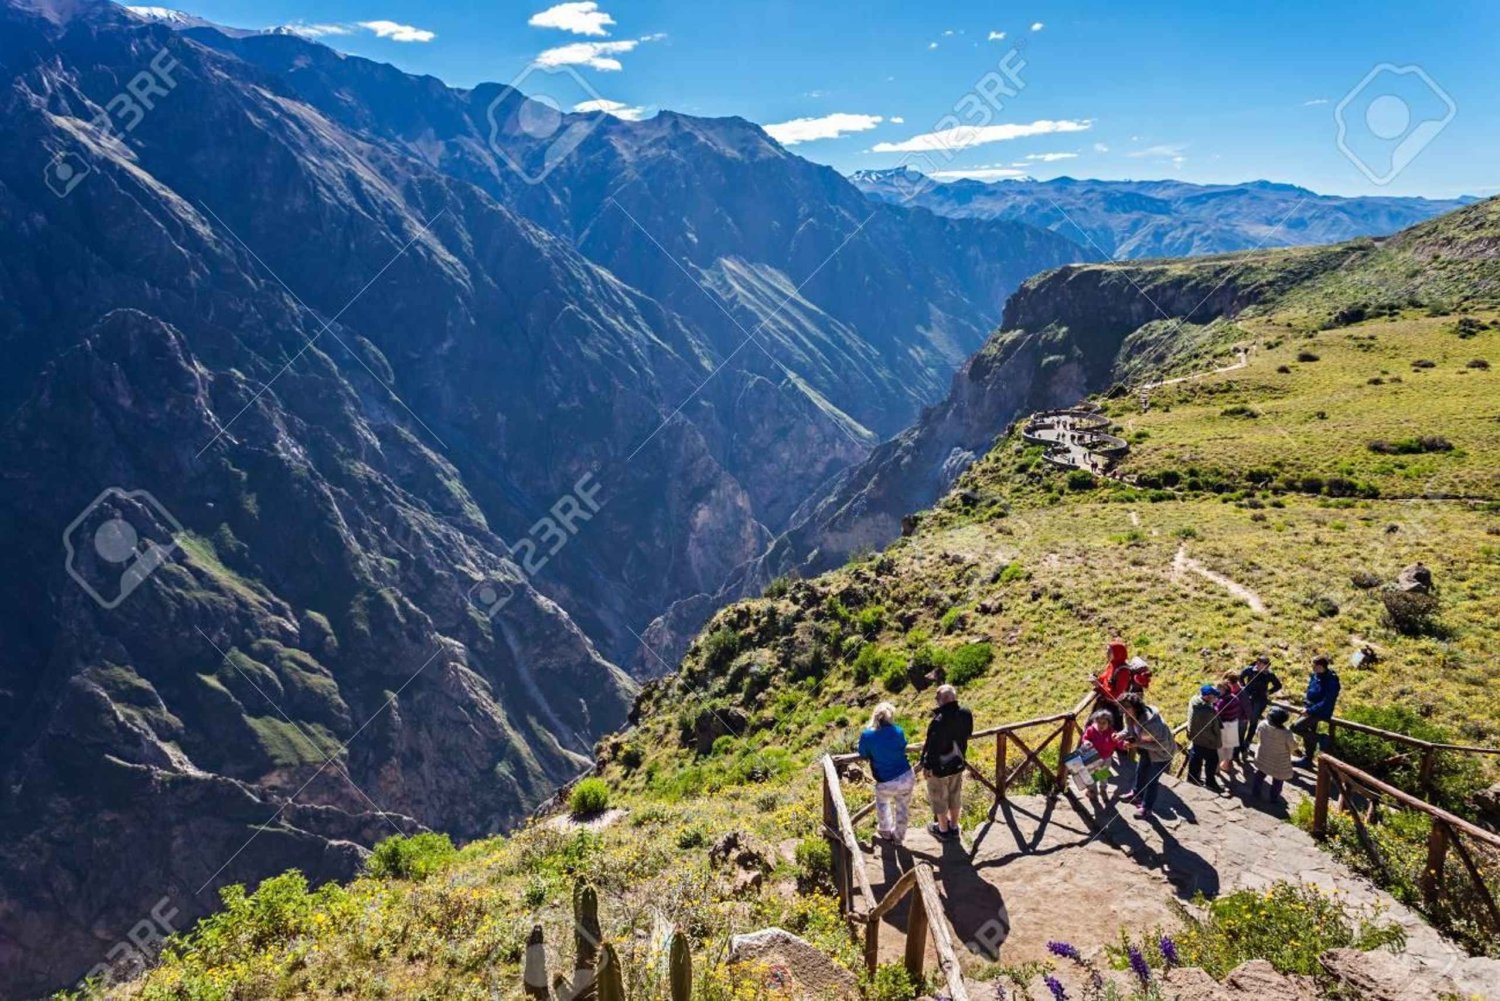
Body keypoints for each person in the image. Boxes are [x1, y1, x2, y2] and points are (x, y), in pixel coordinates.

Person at [919, 685, 973, 840]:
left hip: (939, 767)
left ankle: (942, 830)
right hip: (958, 761)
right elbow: (968, 733)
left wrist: (927, 766)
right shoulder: (965, 713)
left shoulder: (939, 720)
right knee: (955, 795)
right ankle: (954, 827)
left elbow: (932, 746)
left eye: (937, 698)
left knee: (938, 797)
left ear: (941, 700)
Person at [858, 702, 915, 845]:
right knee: (903, 808)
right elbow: (903, 745)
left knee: (883, 803)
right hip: (906, 775)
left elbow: (863, 753)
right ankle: (899, 837)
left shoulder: (867, 735)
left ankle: (885, 831)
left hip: (885, 779)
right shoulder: (898, 731)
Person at [1117, 693, 1176, 819]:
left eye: (1125, 707)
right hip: (1147, 750)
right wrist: (1121, 735)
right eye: (1121, 707)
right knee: (1141, 770)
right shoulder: (1130, 716)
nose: (1122, 711)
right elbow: (1130, 729)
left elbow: (1162, 746)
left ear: (1135, 707)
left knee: (1151, 780)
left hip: (1162, 754)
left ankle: (1146, 808)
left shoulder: (1152, 724)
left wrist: (1137, 743)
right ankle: (1136, 794)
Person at [1291, 656, 1341, 768]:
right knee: (1308, 733)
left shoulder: (1331, 680)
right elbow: (1310, 690)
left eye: (1314, 665)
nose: (1312, 667)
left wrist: (1310, 710)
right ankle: (1307, 759)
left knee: (1296, 727)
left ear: (1320, 666)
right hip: (1309, 707)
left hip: (1320, 711)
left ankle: (1321, 738)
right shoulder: (1315, 675)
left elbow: (1327, 701)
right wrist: (1306, 704)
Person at [1238, 656, 1283, 764]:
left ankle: (1248, 742)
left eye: (1266, 666)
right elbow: (1241, 677)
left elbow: (1278, 685)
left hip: (1260, 700)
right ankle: (1240, 744)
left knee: (1253, 721)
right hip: (1247, 698)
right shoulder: (1249, 669)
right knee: (1243, 721)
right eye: (1263, 665)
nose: (1265, 668)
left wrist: (1269, 692)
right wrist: (1244, 686)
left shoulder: (1269, 674)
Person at [1185, 684, 1226, 795]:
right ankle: (1210, 782)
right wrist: (1217, 741)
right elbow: (1216, 728)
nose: (1217, 698)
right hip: (1208, 741)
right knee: (1213, 761)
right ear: (1207, 697)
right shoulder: (1209, 711)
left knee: (1196, 758)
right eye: (1215, 696)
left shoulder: (1194, 700)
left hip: (1195, 737)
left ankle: (1192, 778)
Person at [1251, 707, 1298, 802]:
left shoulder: (1262, 724)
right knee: (1278, 780)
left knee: (1260, 774)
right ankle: (1273, 798)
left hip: (1263, 756)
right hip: (1279, 762)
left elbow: (1257, 734)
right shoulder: (1286, 733)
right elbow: (1293, 746)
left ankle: (1255, 792)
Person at [1081, 709, 1124, 801]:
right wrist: (1086, 742)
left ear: (1109, 723)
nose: (1101, 725)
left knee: (1103, 775)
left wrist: (1123, 745)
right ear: (1095, 722)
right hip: (1093, 758)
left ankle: (1103, 789)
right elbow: (1085, 737)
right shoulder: (1091, 730)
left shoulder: (1111, 732)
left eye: (1104, 723)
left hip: (1106, 758)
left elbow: (1118, 742)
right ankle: (1092, 791)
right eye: (1099, 722)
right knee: (1092, 775)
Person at [1093, 636, 1132, 728]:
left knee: (1111, 732)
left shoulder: (1123, 672)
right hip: (1103, 704)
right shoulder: (1112, 664)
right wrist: (1096, 679)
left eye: (1109, 651)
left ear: (1117, 653)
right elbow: (1104, 678)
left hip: (1113, 709)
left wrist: (1099, 686)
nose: (1106, 653)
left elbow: (1116, 696)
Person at [1216, 671, 1246, 785]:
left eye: (1219, 690)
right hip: (1233, 724)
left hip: (1224, 726)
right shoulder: (1235, 698)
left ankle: (1217, 768)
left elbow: (1216, 713)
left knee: (1220, 747)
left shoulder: (1222, 702)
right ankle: (1226, 764)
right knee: (1230, 746)